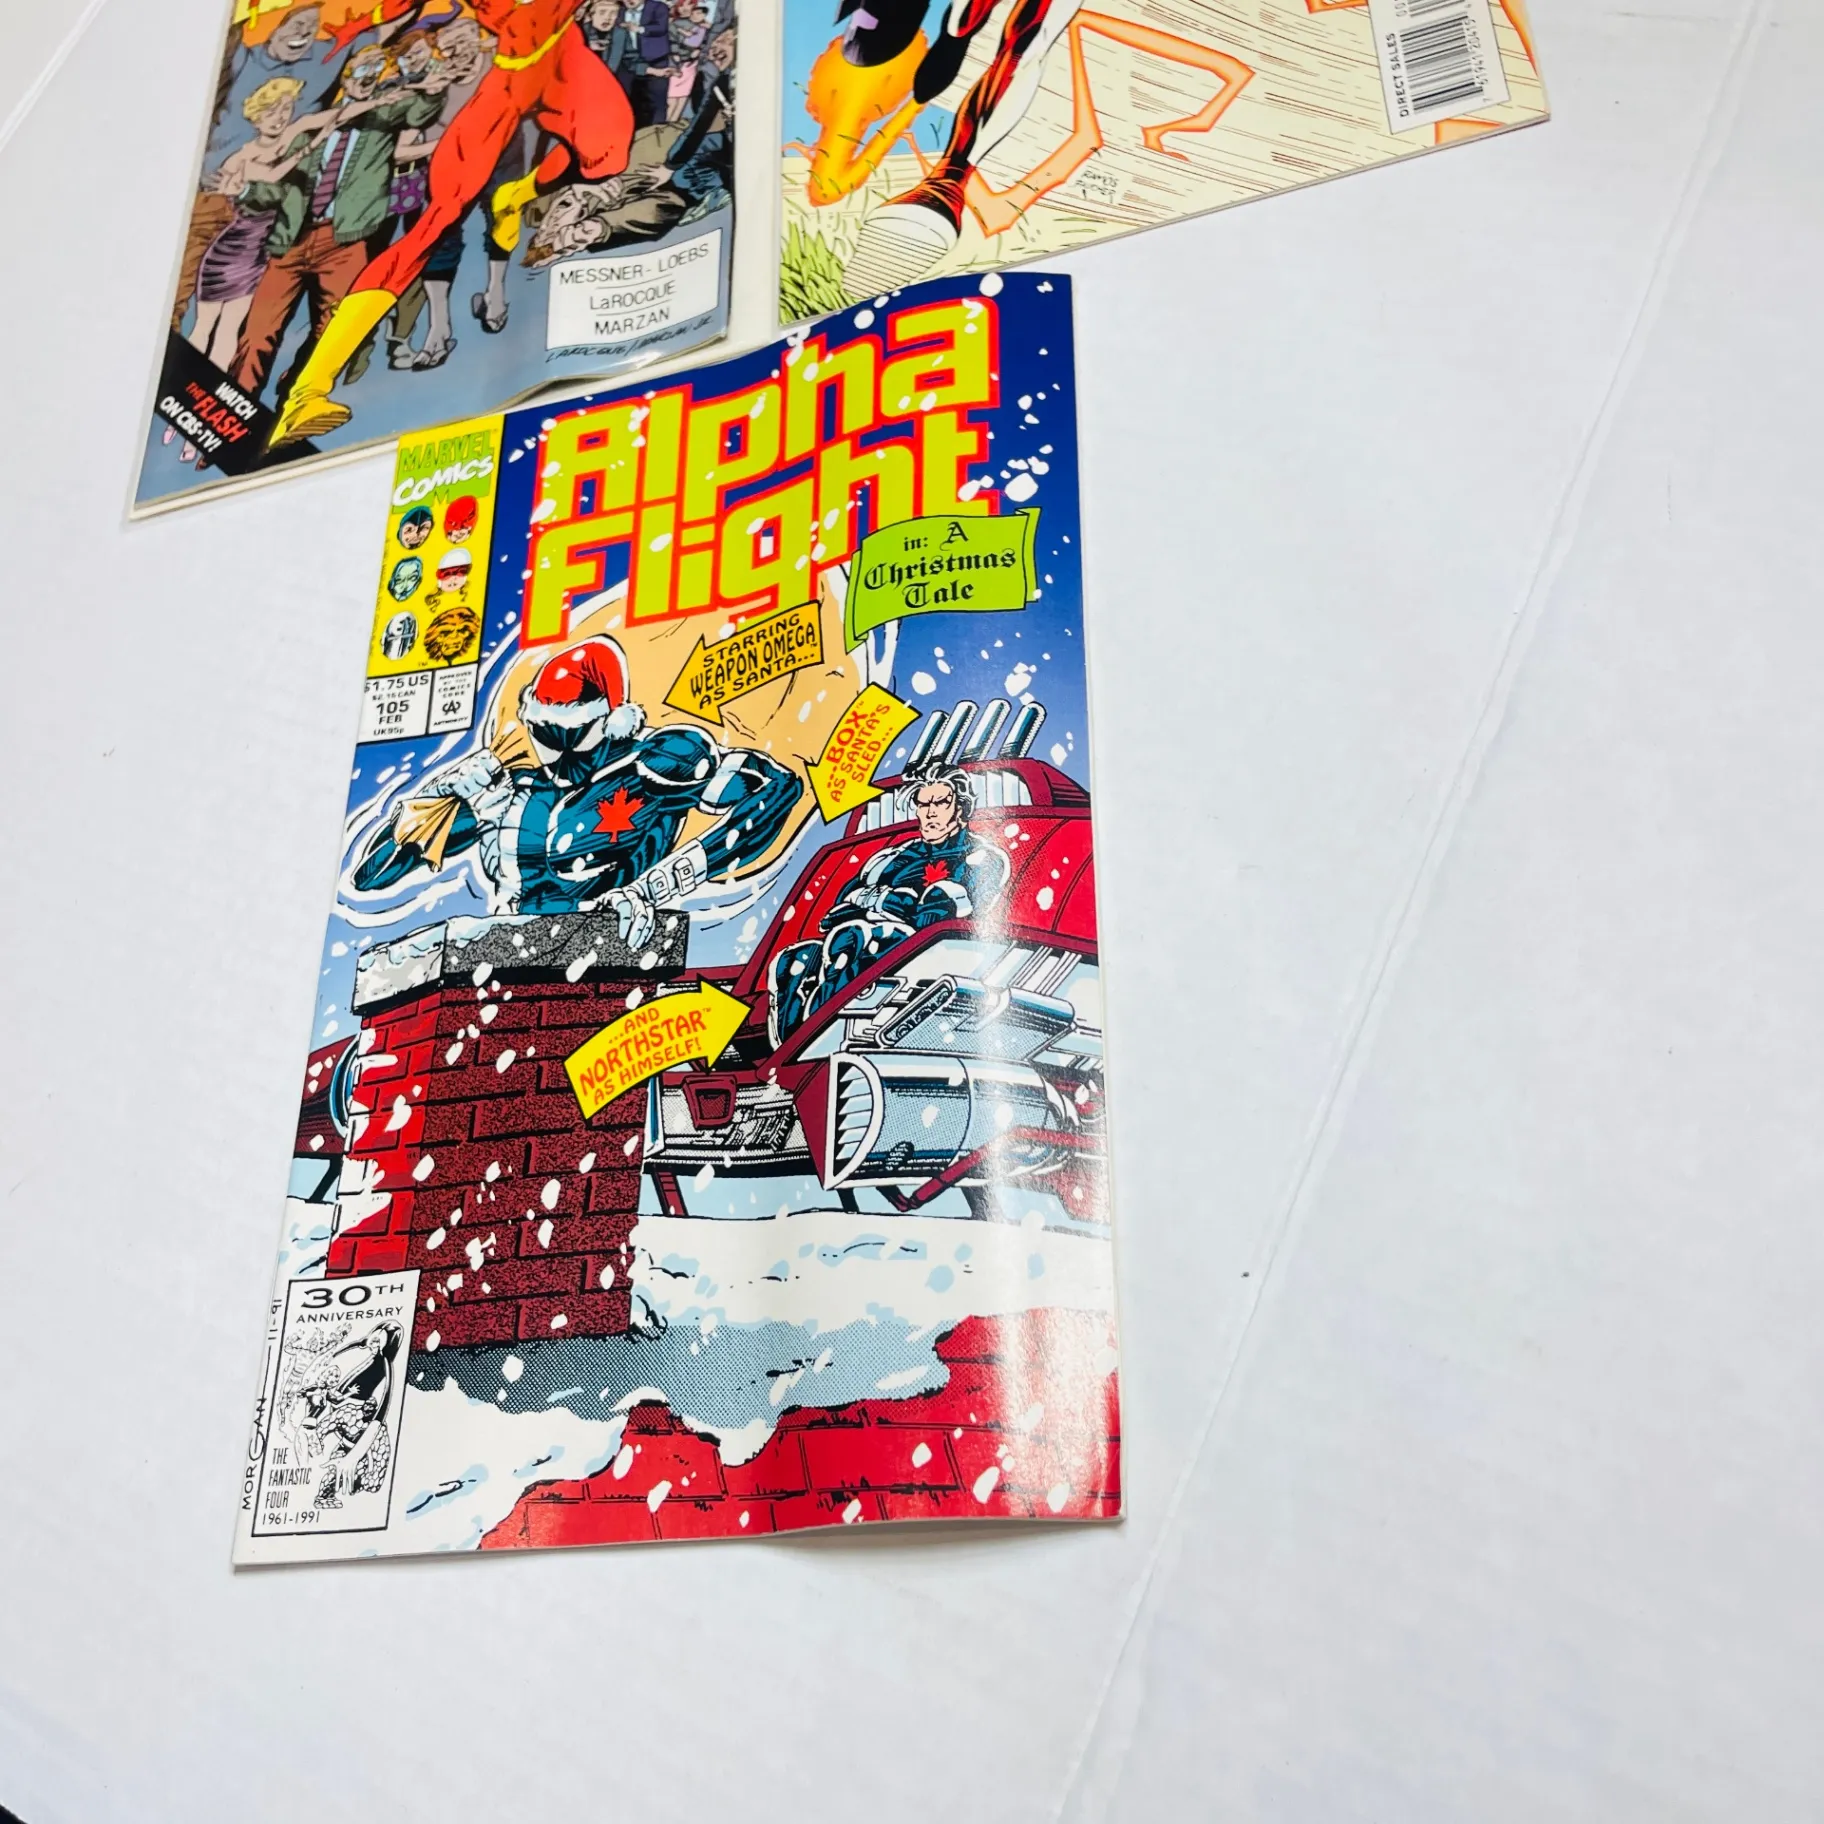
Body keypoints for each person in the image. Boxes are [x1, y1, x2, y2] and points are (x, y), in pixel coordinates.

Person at [266, 0, 637, 446]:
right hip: (507, 81)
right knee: (435, 222)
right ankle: (308, 392)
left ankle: (514, 195)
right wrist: (360, 24)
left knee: (608, 153)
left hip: (563, 59)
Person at [352, 636, 802, 941]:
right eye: (546, 734)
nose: (558, 752)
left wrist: (658, 886)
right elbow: (372, 876)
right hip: (504, 964)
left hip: (612, 963)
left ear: (612, 721)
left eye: (571, 734)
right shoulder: (509, 793)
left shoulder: (655, 763)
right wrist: (441, 793)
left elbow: (776, 787)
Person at [230, 44, 441, 408]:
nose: (369, 77)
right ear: (346, 76)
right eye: (363, 68)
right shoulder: (310, 129)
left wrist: (433, 92)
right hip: (291, 240)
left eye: (377, 70)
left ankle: (294, 401)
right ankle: (239, 404)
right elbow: (281, 189)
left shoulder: (383, 121)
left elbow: (419, 111)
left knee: (333, 332)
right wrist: (247, 190)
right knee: (258, 332)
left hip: (344, 242)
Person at [769, 763, 1009, 1041]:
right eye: (923, 804)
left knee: (852, 937)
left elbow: (932, 918)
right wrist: (892, 901)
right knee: (794, 961)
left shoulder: (980, 857)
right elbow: (836, 912)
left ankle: (815, 1037)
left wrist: (875, 899)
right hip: (863, 935)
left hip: (932, 950)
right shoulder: (894, 856)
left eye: (940, 803)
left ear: (960, 807)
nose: (929, 812)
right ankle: (789, 1049)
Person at [171, 0, 324, 337]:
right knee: (180, 293)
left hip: (251, 219)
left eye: (312, 26)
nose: (305, 32)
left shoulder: (321, 64)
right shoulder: (242, 56)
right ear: (275, 24)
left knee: (226, 317)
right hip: (208, 197)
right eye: (297, 23)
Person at [187, 78, 338, 371]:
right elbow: (271, 176)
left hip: (256, 257)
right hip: (229, 251)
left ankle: (210, 384)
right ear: (256, 118)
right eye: (271, 112)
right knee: (204, 326)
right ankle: (183, 381)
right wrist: (314, 144)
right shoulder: (242, 158)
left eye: (285, 109)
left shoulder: (289, 136)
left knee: (230, 329)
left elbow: (322, 118)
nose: (279, 118)